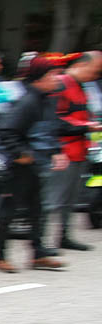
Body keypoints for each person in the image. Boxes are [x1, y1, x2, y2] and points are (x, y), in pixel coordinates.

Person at [0, 55, 70, 272]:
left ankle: (38, 254)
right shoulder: (28, 102)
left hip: (36, 165)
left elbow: (50, 129)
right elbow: (6, 131)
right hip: (19, 168)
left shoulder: (45, 100)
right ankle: (0, 257)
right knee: (9, 212)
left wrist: (57, 151)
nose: (57, 78)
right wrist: (21, 153)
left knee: (37, 210)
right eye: (53, 75)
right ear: (39, 78)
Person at [47, 50, 102, 251]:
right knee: (53, 200)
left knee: (69, 200)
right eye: (94, 71)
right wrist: (85, 126)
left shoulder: (80, 86)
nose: (95, 76)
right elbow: (53, 120)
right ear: (81, 65)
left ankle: (64, 237)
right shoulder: (61, 84)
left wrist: (88, 125)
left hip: (79, 149)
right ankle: (41, 243)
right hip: (64, 150)